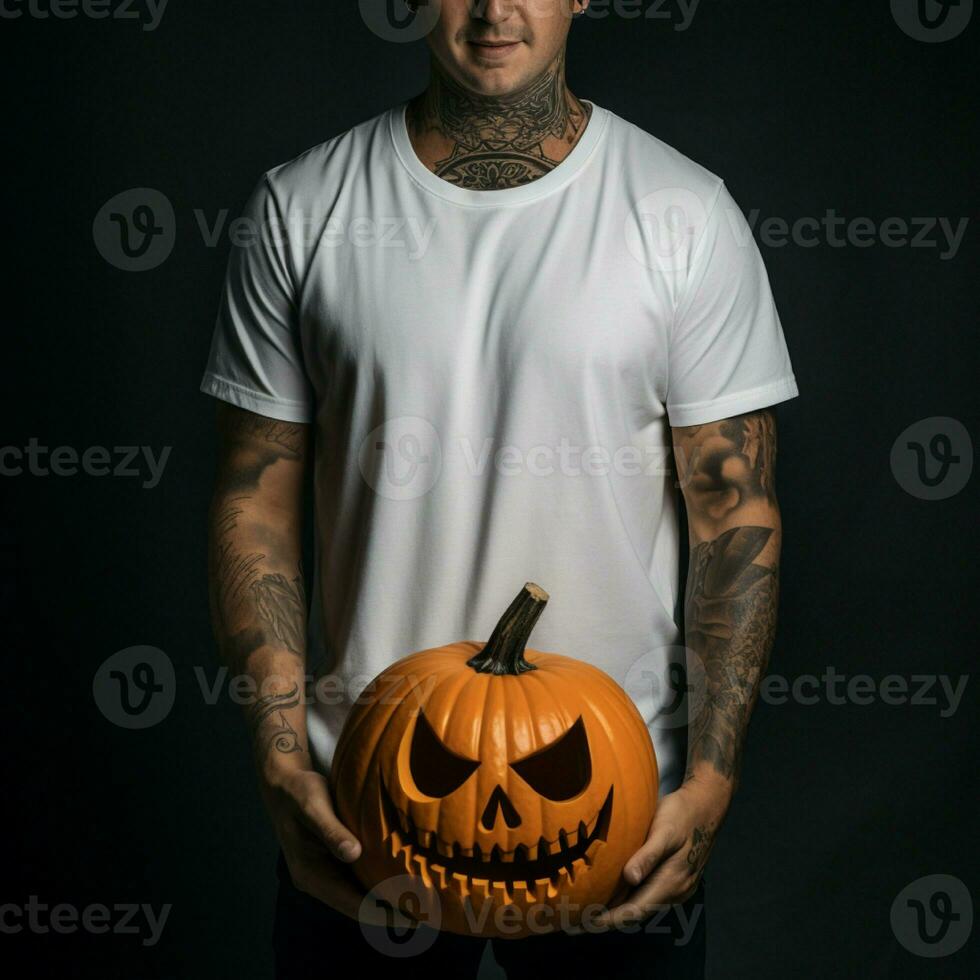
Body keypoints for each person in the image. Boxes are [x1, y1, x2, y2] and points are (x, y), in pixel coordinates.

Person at [202, 2, 799, 976]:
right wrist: (278, 757)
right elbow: (253, 497)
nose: (492, 9)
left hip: (609, 805)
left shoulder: (681, 212)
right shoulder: (301, 205)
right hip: (365, 804)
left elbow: (733, 508)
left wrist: (711, 774)